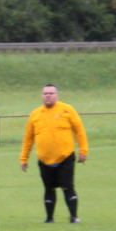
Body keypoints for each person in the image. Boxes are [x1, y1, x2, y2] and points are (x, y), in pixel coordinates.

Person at [20, 84, 89, 223]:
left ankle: (74, 217)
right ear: (42, 96)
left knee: (67, 186)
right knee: (49, 188)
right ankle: (49, 218)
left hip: (65, 157)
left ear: (57, 96)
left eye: (51, 93)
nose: (48, 95)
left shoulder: (67, 110)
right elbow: (28, 138)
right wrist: (24, 158)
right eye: (45, 93)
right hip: (45, 159)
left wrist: (83, 150)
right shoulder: (35, 114)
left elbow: (79, 130)